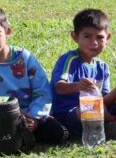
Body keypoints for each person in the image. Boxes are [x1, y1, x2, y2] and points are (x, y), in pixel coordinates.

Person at [50, 8, 116, 141]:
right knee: (91, 106)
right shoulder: (69, 60)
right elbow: (58, 87)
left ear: (108, 38)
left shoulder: (102, 67)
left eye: (100, 37)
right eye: (87, 36)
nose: (94, 43)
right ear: (75, 37)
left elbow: (105, 101)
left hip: (98, 110)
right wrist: (78, 86)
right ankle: (115, 122)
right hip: (71, 115)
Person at [0, 8, 68, 146]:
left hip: (27, 115)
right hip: (2, 117)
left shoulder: (24, 57)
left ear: (8, 32)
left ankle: (22, 135)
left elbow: (42, 90)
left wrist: (34, 117)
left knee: (58, 133)